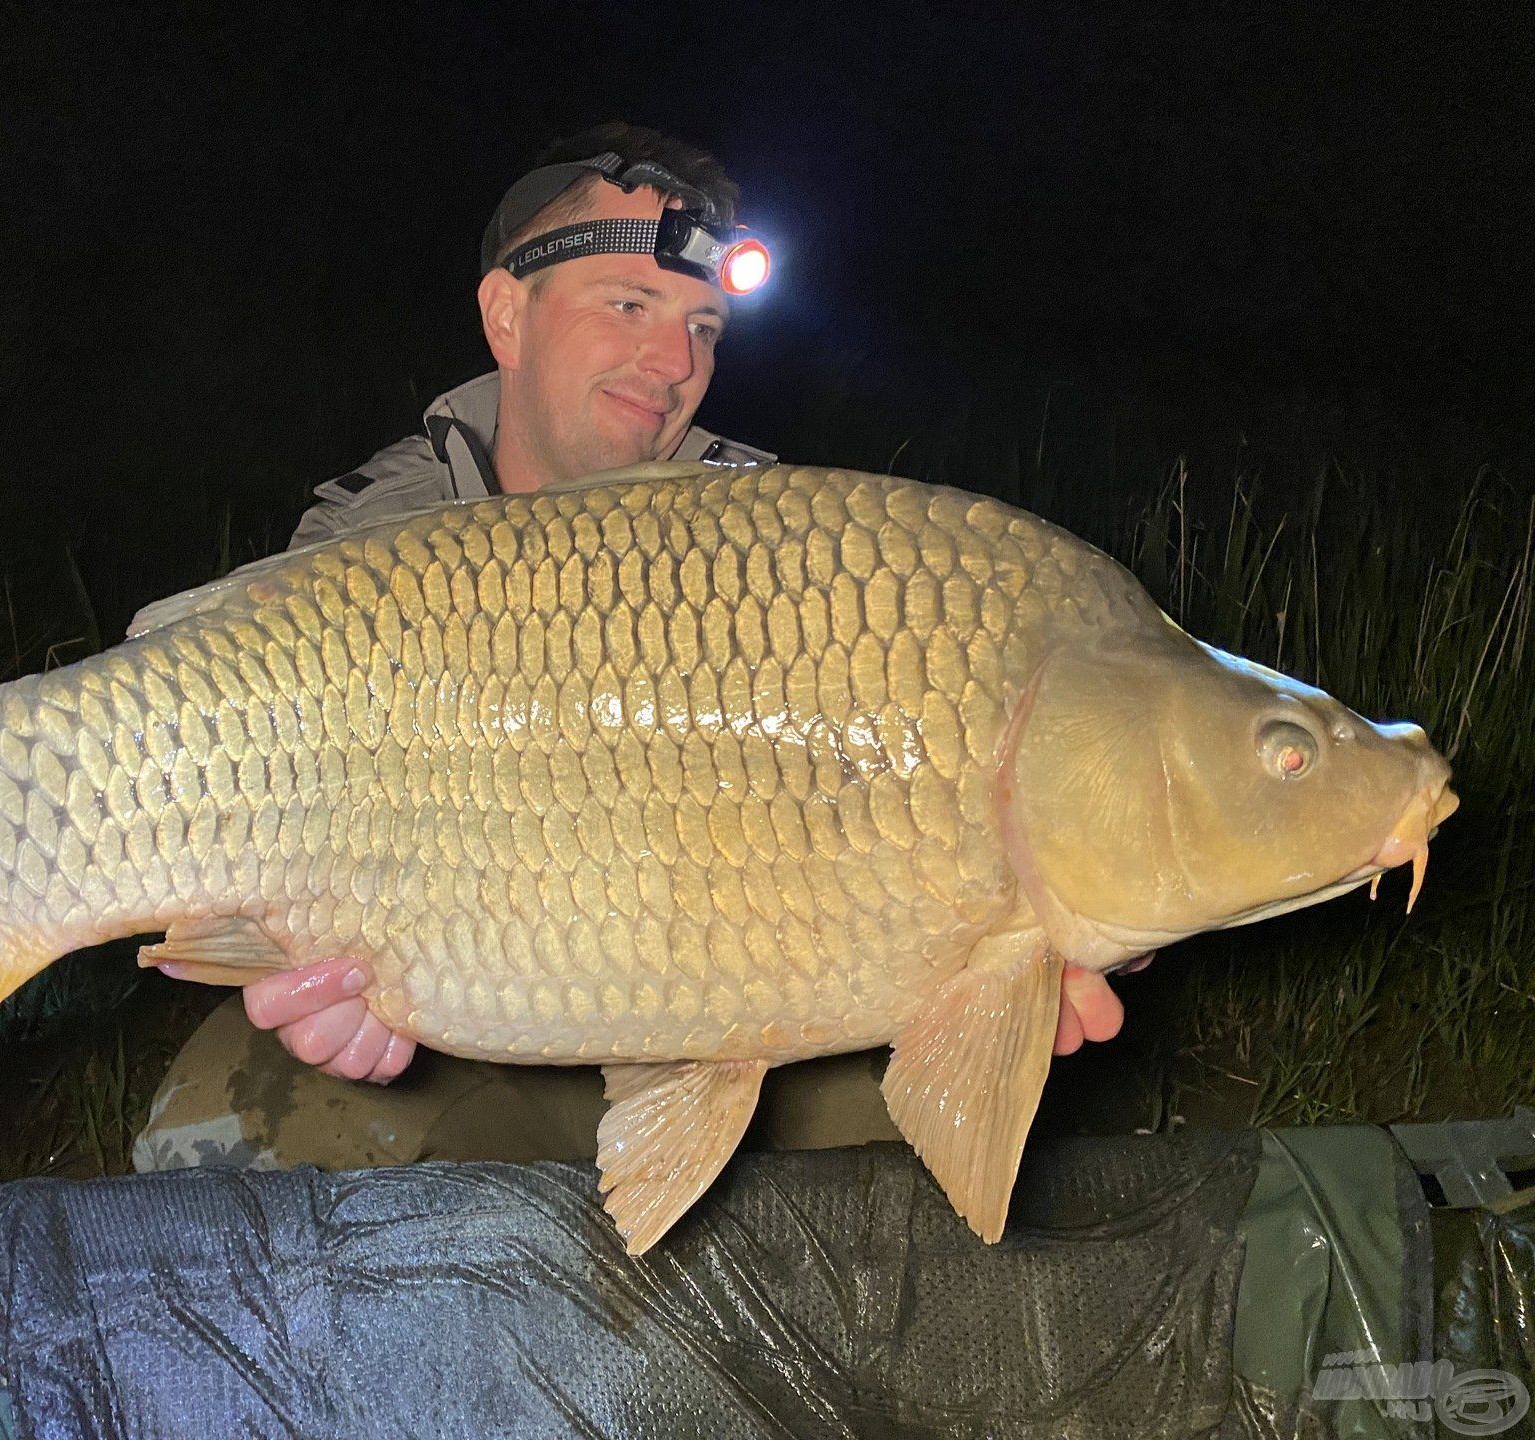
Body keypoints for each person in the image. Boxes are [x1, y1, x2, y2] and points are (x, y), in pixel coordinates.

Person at [135, 124, 1140, 1174]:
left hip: (737, 1013)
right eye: (631, 307)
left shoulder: (792, 543)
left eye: (705, 328)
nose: (676, 366)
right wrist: (308, 973)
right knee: (226, 1142)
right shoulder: (365, 543)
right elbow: (244, 860)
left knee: (926, 1170)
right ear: (508, 314)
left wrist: (1054, 908)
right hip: (464, 1025)